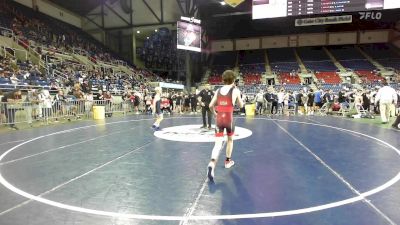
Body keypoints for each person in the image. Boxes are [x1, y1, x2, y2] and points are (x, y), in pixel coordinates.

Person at [207, 70, 244, 182]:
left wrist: (214, 113)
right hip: (229, 119)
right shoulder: (235, 90)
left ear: (223, 79)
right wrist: (242, 101)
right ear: (233, 79)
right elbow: (241, 105)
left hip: (219, 119)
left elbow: (210, 105)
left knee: (218, 143)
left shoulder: (218, 90)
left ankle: (212, 163)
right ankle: (228, 161)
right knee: (230, 140)